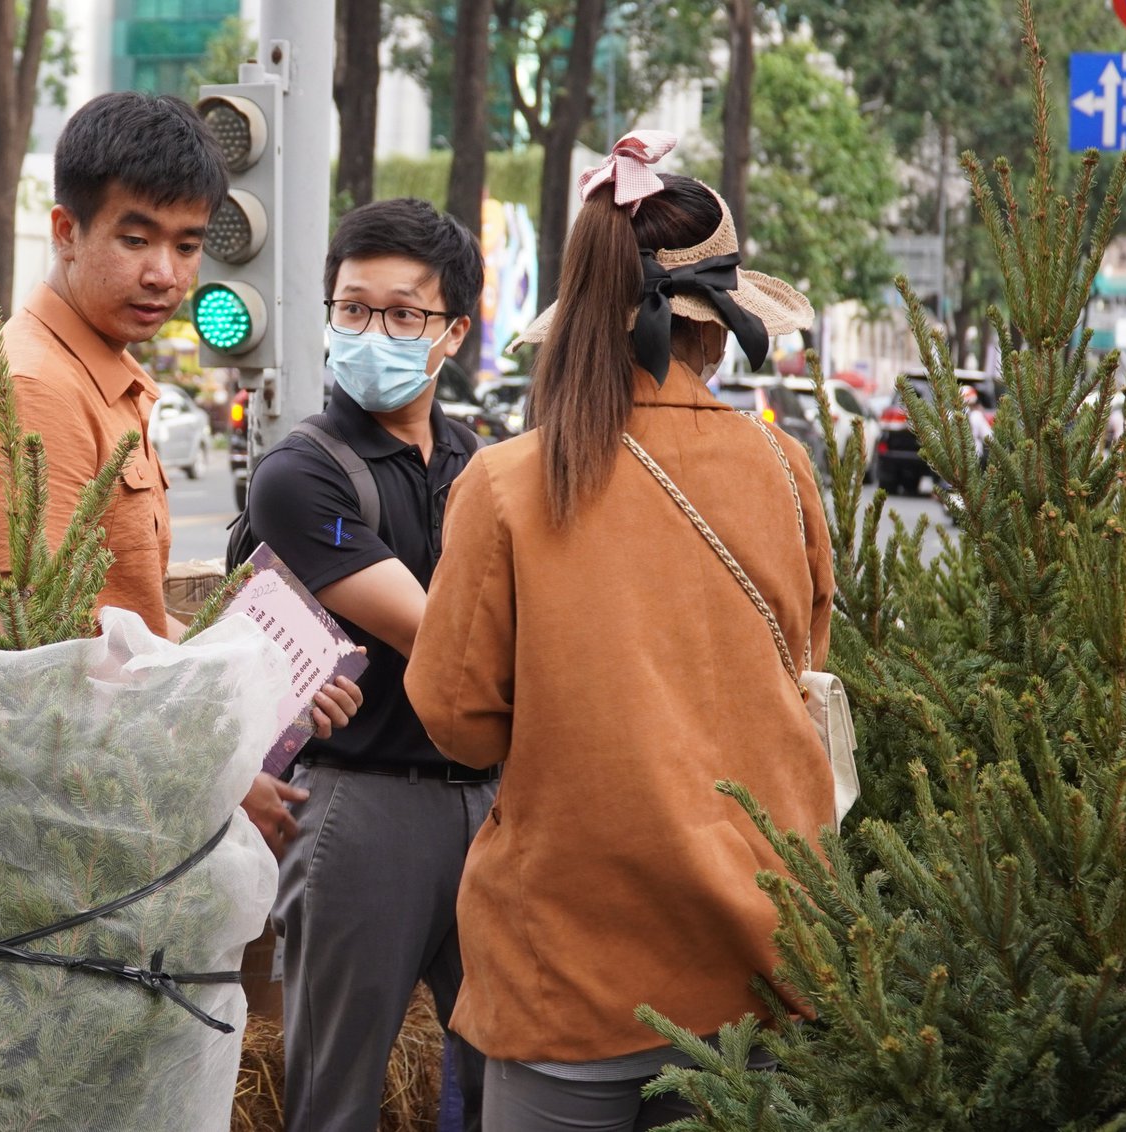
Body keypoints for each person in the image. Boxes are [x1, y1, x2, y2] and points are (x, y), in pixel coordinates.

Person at [403, 131, 837, 1132]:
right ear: (721, 327)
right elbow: (807, 671)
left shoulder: (506, 484)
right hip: (757, 967)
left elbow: (458, 722)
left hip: (565, 971)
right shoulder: (782, 475)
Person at [0, 90, 361, 851]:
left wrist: (266, 683)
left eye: (189, 245)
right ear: (66, 231)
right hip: (45, 840)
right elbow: (34, 665)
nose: (165, 273)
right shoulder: (37, 391)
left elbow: (124, 623)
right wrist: (220, 772)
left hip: (103, 809)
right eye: (136, 240)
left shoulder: (102, 376)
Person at [240, 197, 490, 1132]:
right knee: (335, 1098)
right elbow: (445, 638)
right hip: (364, 807)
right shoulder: (300, 472)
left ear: (453, 332)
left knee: (501, 1082)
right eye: (353, 309)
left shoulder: (481, 463)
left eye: (403, 315)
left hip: (491, 801)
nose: (372, 332)